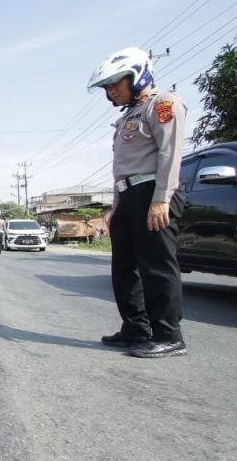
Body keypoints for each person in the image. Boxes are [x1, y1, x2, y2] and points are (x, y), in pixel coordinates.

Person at [87, 46, 188, 358]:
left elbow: (169, 155)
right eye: (107, 86)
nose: (111, 91)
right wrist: (116, 206)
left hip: (152, 194)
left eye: (116, 83)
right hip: (128, 196)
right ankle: (135, 329)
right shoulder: (128, 116)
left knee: (156, 267)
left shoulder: (164, 104)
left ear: (138, 76)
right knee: (124, 268)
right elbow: (122, 167)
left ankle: (169, 336)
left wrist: (161, 199)